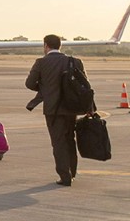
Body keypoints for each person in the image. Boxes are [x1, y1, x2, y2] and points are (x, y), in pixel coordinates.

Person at [25, 33, 91, 186]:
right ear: (60, 45)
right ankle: (72, 172)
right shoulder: (74, 61)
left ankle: (64, 175)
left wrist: (45, 89)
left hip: (52, 109)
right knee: (69, 140)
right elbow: (85, 86)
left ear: (46, 46)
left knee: (58, 142)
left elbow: (29, 83)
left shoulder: (41, 63)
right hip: (72, 107)